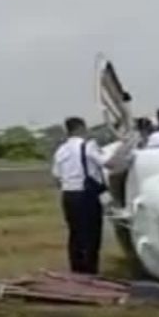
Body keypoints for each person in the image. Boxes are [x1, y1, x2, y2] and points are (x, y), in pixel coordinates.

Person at [51, 116, 108, 275]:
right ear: (81, 128)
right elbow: (106, 162)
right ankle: (90, 270)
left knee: (75, 233)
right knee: (91, 233)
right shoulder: (88, 146)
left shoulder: (61, 150)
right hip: (86, 194)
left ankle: (77, 269)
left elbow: (56, 175)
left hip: (68, 194)